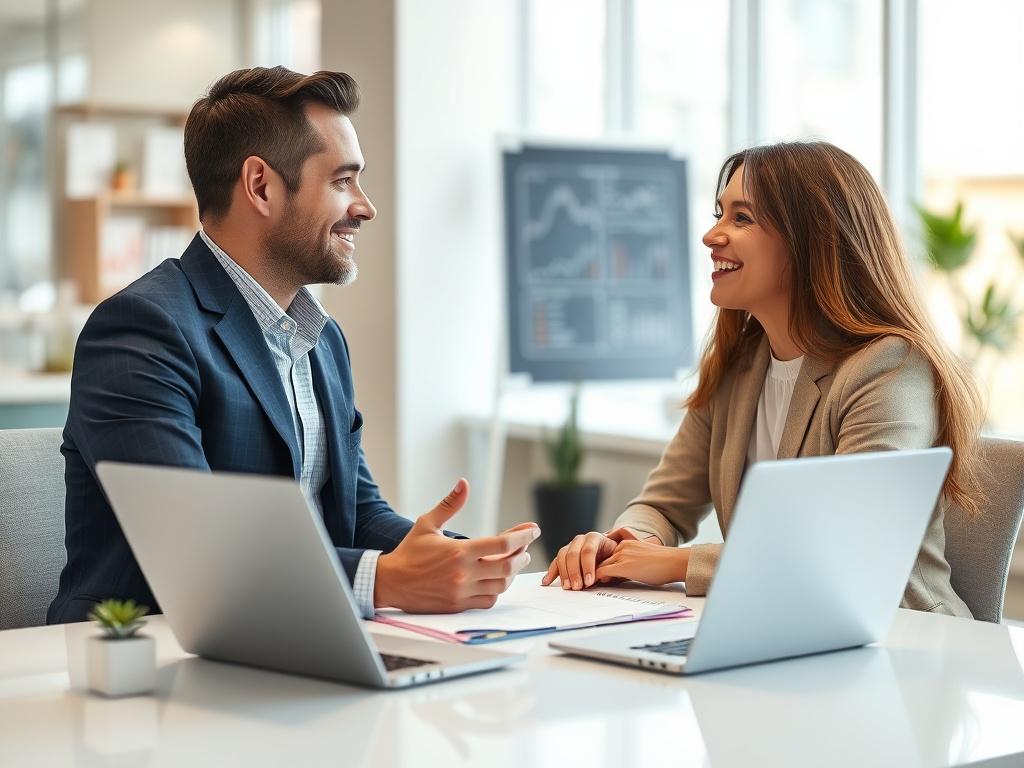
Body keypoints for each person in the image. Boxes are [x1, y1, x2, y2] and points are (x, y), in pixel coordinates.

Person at [48, 66, 539, 625]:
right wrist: (389, 579)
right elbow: (198, 553)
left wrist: (456, 556)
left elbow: (356, 512)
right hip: (146, 665)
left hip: (291, 647)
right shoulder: (142, 329)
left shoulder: (321, 339)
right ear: (260, 186)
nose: (365, 206)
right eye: (341, 181)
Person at [542, 141, 983, 618]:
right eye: (719, 214)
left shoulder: (889, 369)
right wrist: (629, 542)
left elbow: (846, 551)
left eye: (742, 218)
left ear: (812, 240)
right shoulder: (740, 366)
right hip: (778, 629)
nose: (712, 235)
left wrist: (673, 562)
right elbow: (664, 504)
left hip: (900, 642)